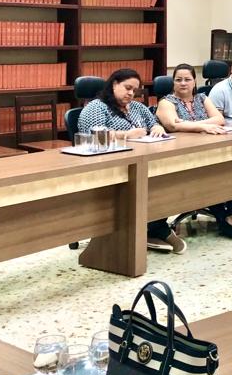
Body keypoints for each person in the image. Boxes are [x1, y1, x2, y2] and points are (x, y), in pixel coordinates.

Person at [78, 68, 184, 254]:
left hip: (143, 161)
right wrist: (126, 135)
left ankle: (154, 225)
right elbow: (91, 136)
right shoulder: (96, 107)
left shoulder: (137, 107)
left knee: (166, 180)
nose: (130, 93)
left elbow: (153, 123)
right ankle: (154, 227)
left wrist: (157, 127)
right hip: (110, 166)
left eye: (134, 90)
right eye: (127, 88)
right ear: (114, 84)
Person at [158, 64, 232, 240]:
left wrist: (188, 124)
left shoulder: (201, 98)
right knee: (209, 174)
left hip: (208, 149)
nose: (183, 83)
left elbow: (219, 119)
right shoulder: (166, 102)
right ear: (173, 83)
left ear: (194, 81)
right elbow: (172, 125)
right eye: (178, 80)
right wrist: (203, 126)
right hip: (181, 155)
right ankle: (223, 219)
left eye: (187, 79)